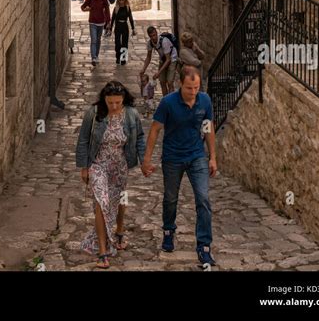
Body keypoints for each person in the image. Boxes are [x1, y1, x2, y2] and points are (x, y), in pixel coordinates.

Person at [141, 65, 218, 267]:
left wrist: (213, 157)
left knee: (203, 198)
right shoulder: (168, 103)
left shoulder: (205, 100)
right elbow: (155, 130)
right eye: (189, 88)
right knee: (171, 198)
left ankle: (204, 246)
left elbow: (208, 127)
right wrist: (147, 160)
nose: (193, 92)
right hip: (172, 157)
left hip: (197, 156)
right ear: (180, 85)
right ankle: (168, 231)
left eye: (196, 88)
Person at [76, 81, 146, 269]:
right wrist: (84, 167)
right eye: (110, 102)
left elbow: (139, 137)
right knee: (101, 202)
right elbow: (83, 139)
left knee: (120, 200)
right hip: (98, 164)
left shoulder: (131, 115)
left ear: (123, 100)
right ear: (104, 100)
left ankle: (120, 230)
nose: (114, 106)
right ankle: (102, 250)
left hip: (120, 165)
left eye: (117, 102)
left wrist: (144, 160)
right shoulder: (94, 114)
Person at [141, 26, 178, 96]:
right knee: (162, 81)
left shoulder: (164, 41)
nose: (153, 38)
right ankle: (165, 100)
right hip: (163, 59)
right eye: (151, 36)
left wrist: (158, 72)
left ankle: (172, 100)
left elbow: (168, 59)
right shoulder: (150, 43)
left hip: (172, 58)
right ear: (149, 36)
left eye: (154, 35)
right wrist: (143, 69)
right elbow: (148, 57)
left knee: (170, 81)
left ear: (156, 33)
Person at [81, 0, 111, 66]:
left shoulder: (103, 0)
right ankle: (93, 57)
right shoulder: (90, 0)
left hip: (101, 23)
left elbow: (107, 11)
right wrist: (87, 9)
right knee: (94, 40)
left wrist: (108, 22)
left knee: (98, 40)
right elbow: (82, 7)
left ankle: (96, 55)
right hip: (92, 22)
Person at [110, 0, 135, 65]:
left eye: (122, 0)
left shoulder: (127, 8)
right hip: (118, 26)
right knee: (117, 43)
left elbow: (130, 18)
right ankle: (118, 57)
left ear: (124, 1)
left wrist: (133, 28)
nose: (121, 2)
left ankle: (123, 59)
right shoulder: (116, 8)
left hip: (124, 26)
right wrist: (110, 28)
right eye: (120, 0)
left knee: (125, 43)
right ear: (118, 1)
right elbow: (113, 19)